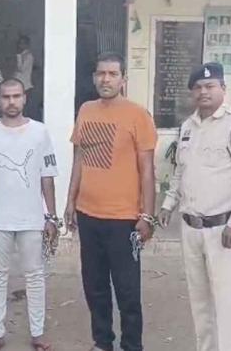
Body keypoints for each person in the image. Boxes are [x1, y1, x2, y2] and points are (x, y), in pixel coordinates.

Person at [157, 62, 231, 351]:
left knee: (227, 299)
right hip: (191, 227)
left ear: (223, 89)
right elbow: (181, 170)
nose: (203, 92)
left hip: (223, 229)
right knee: (199, 299)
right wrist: (168, 203)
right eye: (198, 87)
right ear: (192, 93)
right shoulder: (188, 127)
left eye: (210, 86)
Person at [64, 53, 158, 351]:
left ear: (123, 79)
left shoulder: (138, 115)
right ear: (94, 77)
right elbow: (79, 159)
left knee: (127, 291)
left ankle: (132, 346)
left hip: (123, 219)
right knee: (94, 287)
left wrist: (147, 215)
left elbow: (147, 170)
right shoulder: (86, 110)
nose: (106, 79)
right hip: (88, 215)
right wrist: (70, 201)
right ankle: (102, 342)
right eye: (101, 73)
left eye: (113, 74)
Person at [0, 78, 60, 351]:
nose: (11, 101)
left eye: (16, 96)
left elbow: (47, 178)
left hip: (32, 219)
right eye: (6, 97)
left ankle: (38, 334)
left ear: (24, 99)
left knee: (35, 276)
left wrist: (51, 217)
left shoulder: (40, 132)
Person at [13, 35, 36, 118]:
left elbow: (21, 69)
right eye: (19, 43)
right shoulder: (23, 55)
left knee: (23, 108)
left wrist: (18, 56)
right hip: (19, 85)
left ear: (26, 45)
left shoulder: (28, 56)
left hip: (25, 86)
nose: (20, 45)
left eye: (22, 43)